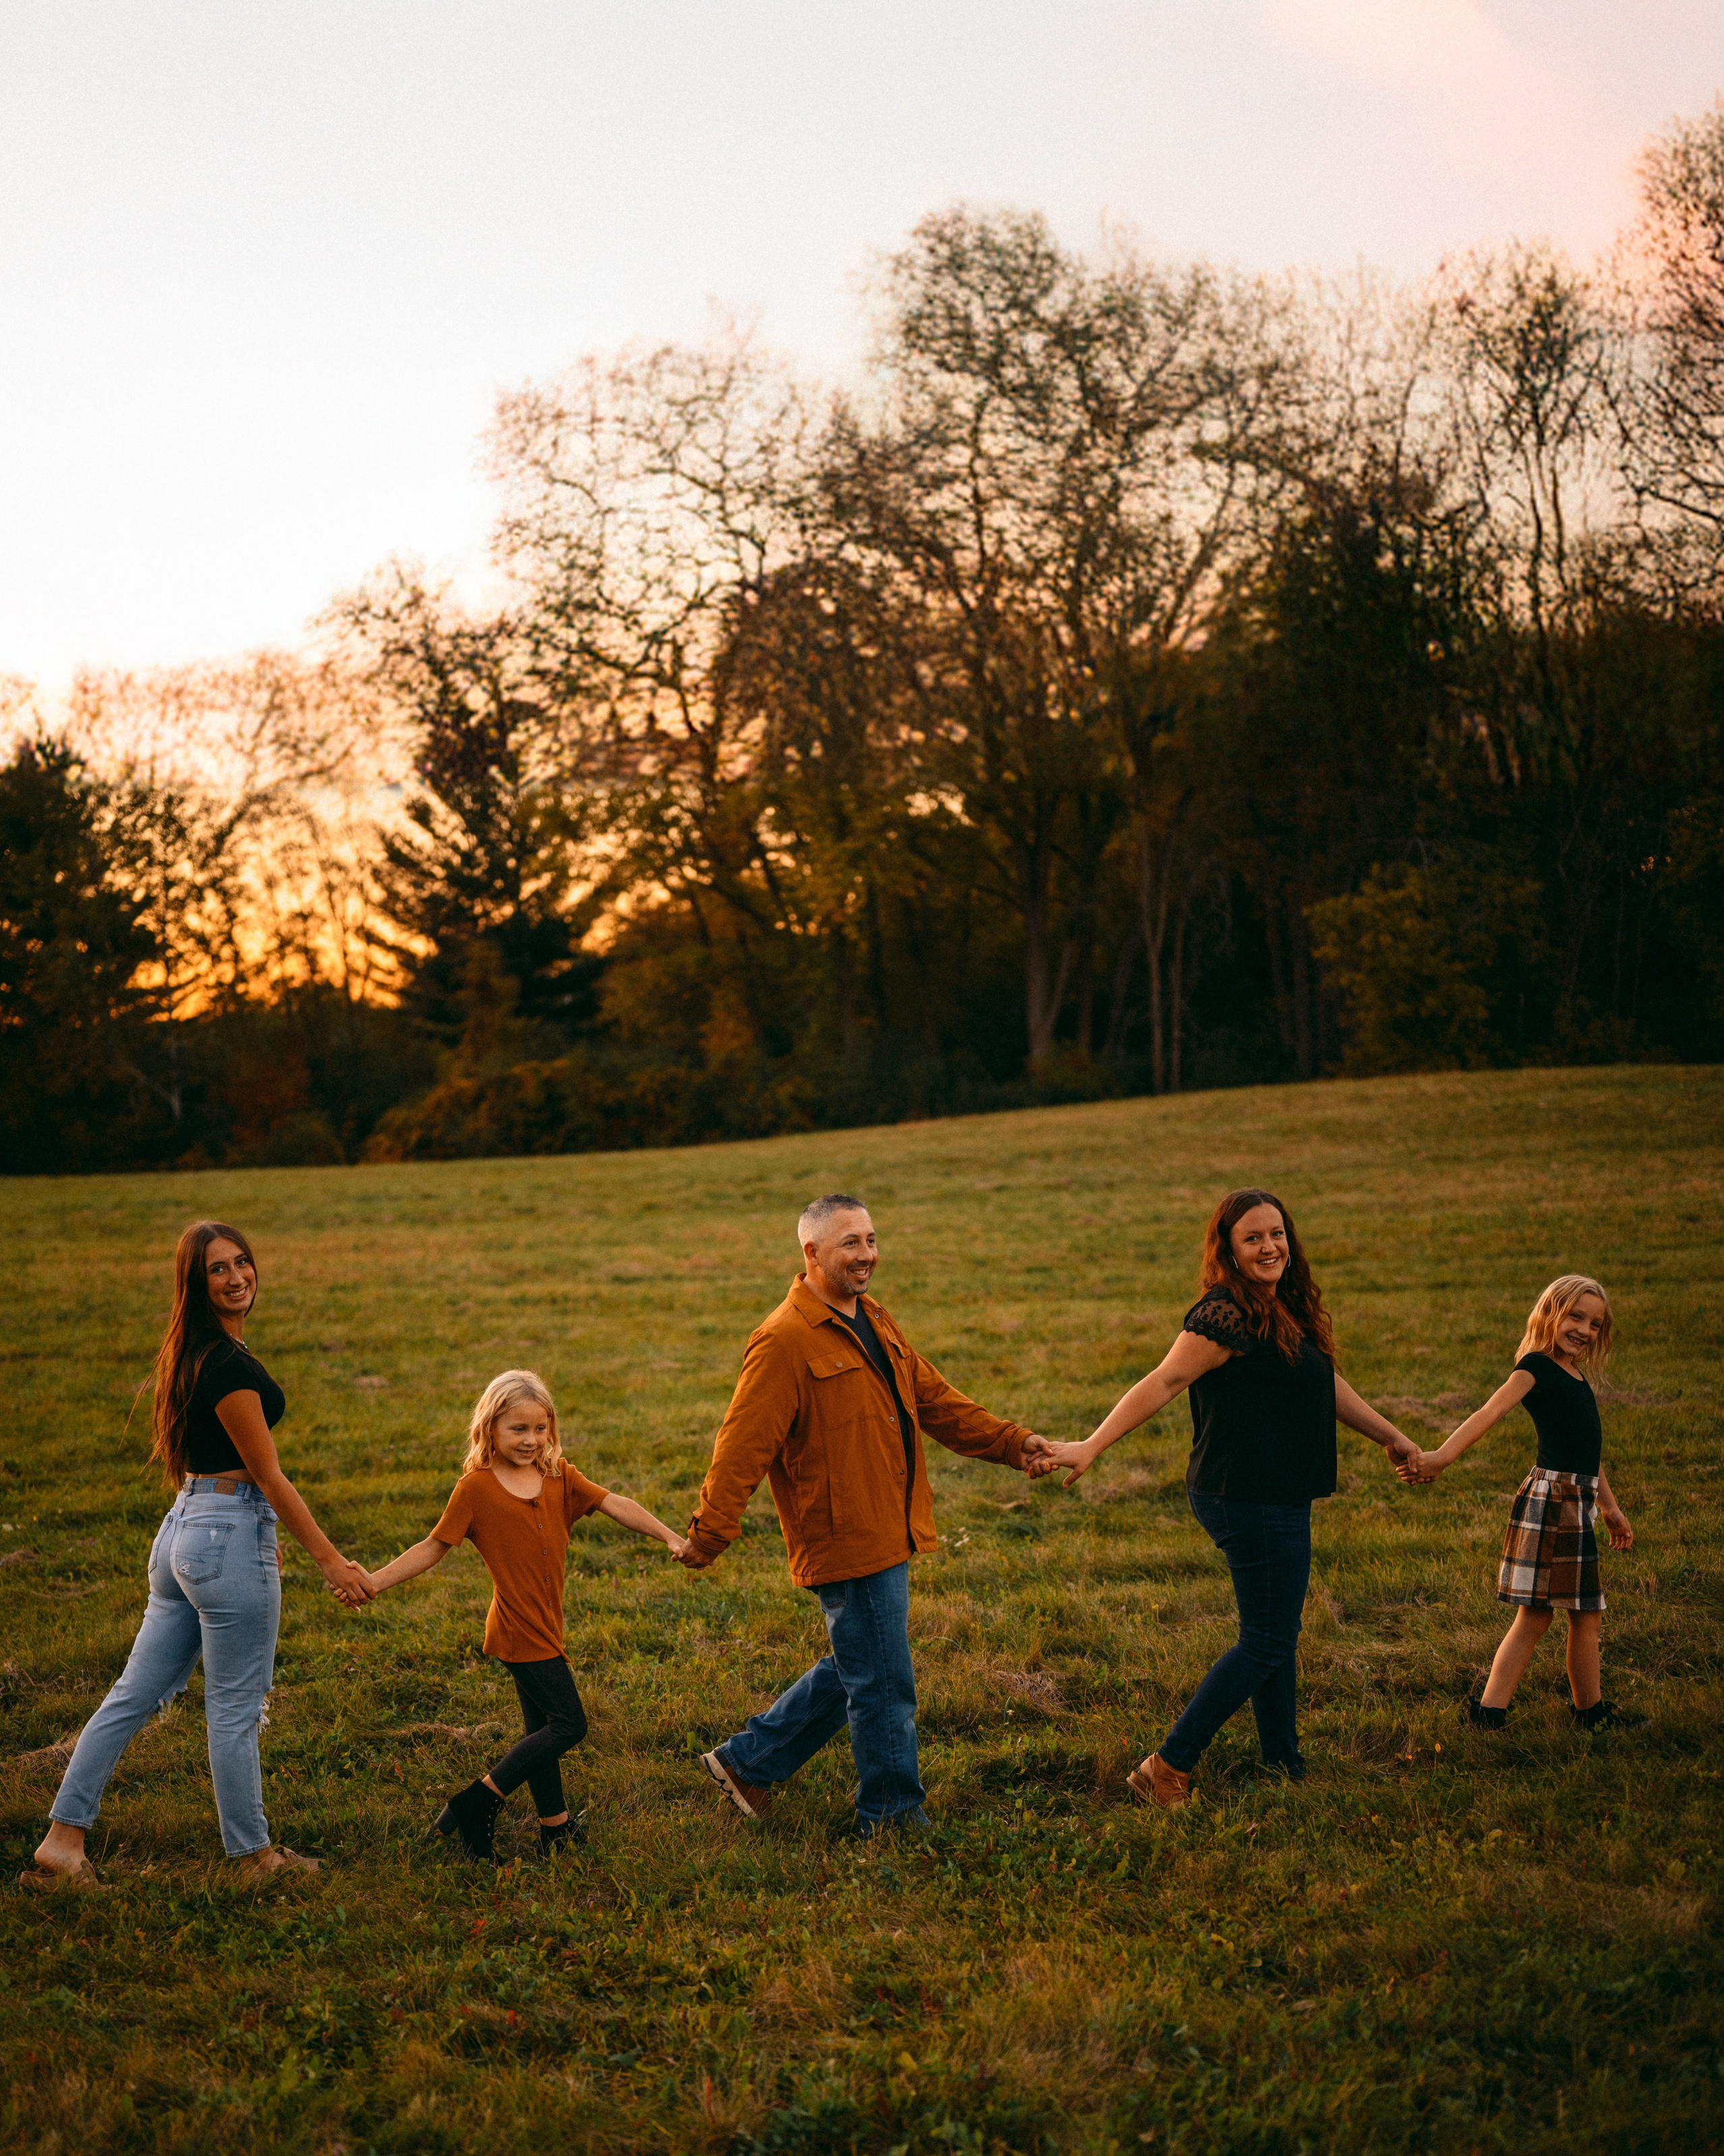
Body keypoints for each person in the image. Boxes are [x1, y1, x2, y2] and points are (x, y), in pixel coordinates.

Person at [679, 1194, 1050, 1840]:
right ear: (811, 1253)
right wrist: (710, 1532)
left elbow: (934, 1401)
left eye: (872, 1240)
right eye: (851, 1243)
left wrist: (1014, 1445)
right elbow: (741, 1446)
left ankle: (748, 1763)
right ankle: (892, 1818)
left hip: (890, 1521)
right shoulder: (783, 1341)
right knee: (882, 1682)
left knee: (866, 1661)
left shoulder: (873, 1318)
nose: (867, 1255)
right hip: (843, 1532)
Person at [1038, 1187, 1422, 1807]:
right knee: (1267, 1639)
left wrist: (1392, 1437)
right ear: (1229, 1251)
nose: (1269, 1246)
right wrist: (1091, 1444)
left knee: (1274, 1631)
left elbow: (1323, 1383)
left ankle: (1282, 1762)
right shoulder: (1226, 1314)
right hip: (1244, 1493)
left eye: (1276, 1234)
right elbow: (1164, 1379)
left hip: (1276, 1489)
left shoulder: (1281, 1305)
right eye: (1252, 1238)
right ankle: (1167, 1765)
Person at [22, 1220, 374, 1889]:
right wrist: (330, 1560)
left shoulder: (191, 1354)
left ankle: (62, 1842)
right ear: (196, 1283)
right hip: (224, 1536)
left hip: (184, 1528)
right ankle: (254, 1858)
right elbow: (268, 1476)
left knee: (131, 1696)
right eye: (218, 1269)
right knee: (235, 1711)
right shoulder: (229, 1366)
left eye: (243, 1262)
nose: (237, 1276)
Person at [360, 1369, 688, 1863]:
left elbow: (615, 1502)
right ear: (490, 1427)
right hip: (518, 1629)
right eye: (518, 1429)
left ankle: (555, 1828)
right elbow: (434, 1546)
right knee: (568, 1726)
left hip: (547, 1623)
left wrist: (670, 1537)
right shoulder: (476, 1489)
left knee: (540, 1731)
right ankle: (476, 1802)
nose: (531, 1440)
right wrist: (374, 1582)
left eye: (540, 1429)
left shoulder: (559, 1477)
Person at [1410, 1274, 1634, 1733]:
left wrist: (1609, 1508)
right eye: (1575, 1316)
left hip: (1577, 1498)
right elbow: (1487, 1413)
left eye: (1593, 1324)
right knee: (1537, 1614)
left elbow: (1587, 1453)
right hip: (1552, 1501)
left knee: (1582, 1612)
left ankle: (1581, 1710)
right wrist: (1440, 1458)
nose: (1583, 1330)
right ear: (1550, 1313)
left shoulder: (1576, 1376)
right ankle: (1495, 1712)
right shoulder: (1534, 1366)